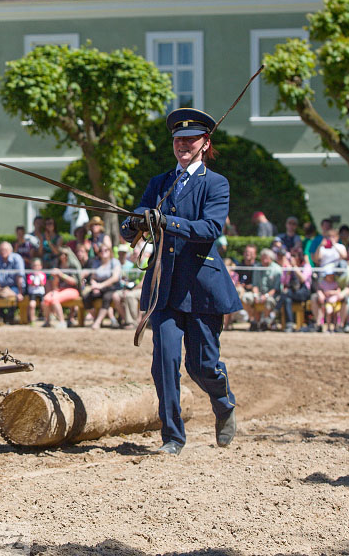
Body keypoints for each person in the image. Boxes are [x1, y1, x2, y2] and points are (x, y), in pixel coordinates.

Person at [120, 108, 240, 456]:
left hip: (202, 288)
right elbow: (135, 224)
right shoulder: (158, 183)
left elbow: (210, 230)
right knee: (165, 361)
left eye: (190, 139)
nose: (182, 144)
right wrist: (134, 224)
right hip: (165, 287)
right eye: (177, 139)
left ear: (205, 143)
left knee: (201, 365)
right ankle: (173, 436)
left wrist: (165, 221)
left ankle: (223, 402)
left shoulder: (215, 184)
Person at [243, 248, 281, 331]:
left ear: (271, 258)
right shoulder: (257, 267)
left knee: (269, 301)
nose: (264, 260)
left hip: (271, 295)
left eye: (266, 258)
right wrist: (256, 295)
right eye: (262, 258)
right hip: (259, 293)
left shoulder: (277, 269)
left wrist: (266, 296)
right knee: (245, 298)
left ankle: (265, 322)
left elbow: (276, 288)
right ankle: (253, 321)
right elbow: (255, 285)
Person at [0, 241, 25, 322]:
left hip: (15, 286)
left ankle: (10, 316)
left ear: (11, 250)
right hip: (1, 287)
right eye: (1, 250)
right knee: (0, 294)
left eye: (5, 249)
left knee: (7, 294)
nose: (2, 251)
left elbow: (20, 276)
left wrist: (20, 293)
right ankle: (1, 317)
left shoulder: (17, 258)